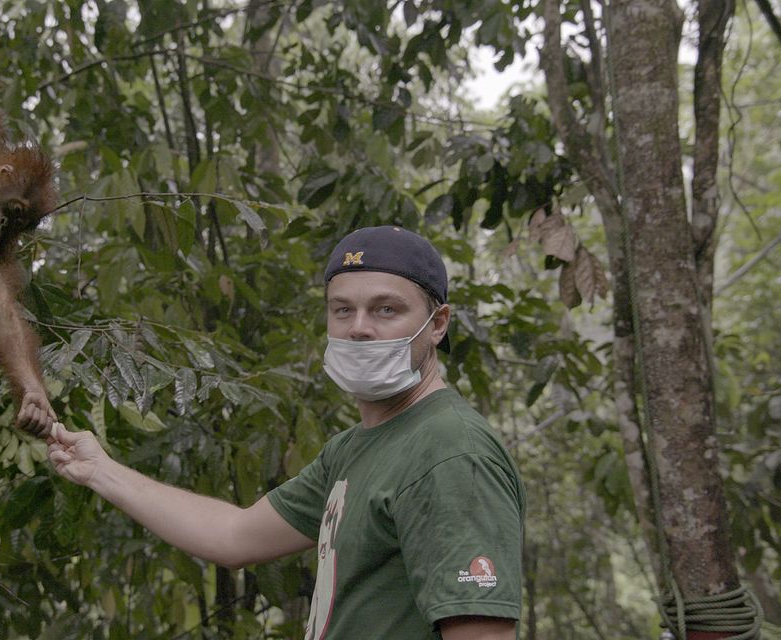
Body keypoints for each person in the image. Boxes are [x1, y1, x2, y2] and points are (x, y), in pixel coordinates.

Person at [46, 226, 525, 639]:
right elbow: (234, 535)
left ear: (436, 323)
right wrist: (100, 471)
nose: (358, 329)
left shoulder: (450, 451)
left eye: (385, 310)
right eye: (342, 310)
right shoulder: (352, 449)